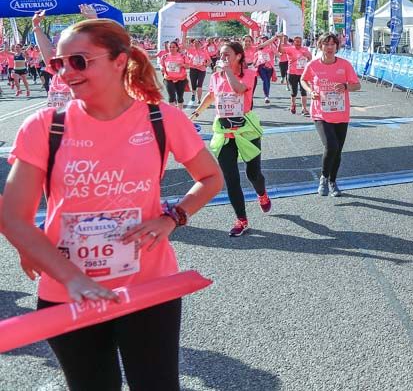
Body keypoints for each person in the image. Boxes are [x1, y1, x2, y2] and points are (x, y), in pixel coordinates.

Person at [1, 19, 222, 391]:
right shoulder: (45, 126)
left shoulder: (161, 118)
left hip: (147, 286)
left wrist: (173, 218)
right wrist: (63, 271)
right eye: (59, 64)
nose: (67, 72)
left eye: (79, 61)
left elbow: (211, 177)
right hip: (68, 291)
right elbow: (12, 217)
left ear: (120, 61)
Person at [190, 41, 270, 237]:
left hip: (246, 129)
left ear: (239, 56)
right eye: (221, 54)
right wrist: (197, 112)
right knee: (231, 179)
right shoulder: (215, 77)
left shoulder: (250, 75)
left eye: (227, 54)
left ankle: (262, 193)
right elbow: (211, 95)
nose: (222, 58)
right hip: (224, 131)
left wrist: (227, 72)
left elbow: (239, 89)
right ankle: (241, 220)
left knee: (253, 174)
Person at [301, 33, 361, 197]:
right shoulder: (313, 65)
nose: (329, 47)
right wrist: (311, 91)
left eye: (332, 44)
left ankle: (333, 182)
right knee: (331, 145)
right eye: (326, 44)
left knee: (338, 151)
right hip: (321, 113)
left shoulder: (345, 65)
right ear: (320, 46)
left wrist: (345, 86)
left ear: (336, 47)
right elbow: (303, 80)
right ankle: (323, 178)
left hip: (341, 113)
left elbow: (357, 85)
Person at [283, 36, 312, 115]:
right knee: (294, 91)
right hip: (292, 73)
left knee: (303, 91)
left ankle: (304, 108)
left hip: (303, 73)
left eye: (299, 41)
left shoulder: (305, 49)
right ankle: (293, 104)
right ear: (294, 42)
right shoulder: (290, 49)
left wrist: (307, 56)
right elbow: (280, 51)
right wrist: (279, 41)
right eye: (296, 41)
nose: (298, 43)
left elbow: (310, 59)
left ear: (301, 42)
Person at [158, 41, 188, 108]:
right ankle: (173, 114)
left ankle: (180, 113)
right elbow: (161, 64)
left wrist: (182, 65)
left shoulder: (182, 56)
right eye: (170, 47)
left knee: (180, 97)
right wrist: (162, 68)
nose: (171, 48)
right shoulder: (165, 56)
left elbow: (188, 66)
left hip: (181, 79)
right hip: (168, 78)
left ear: (177, 48)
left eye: (173, 47)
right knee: (171, 96)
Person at [183, 37, 210, 108]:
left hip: (202, 70)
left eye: (198, 43)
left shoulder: (204, 51)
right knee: (193, 85)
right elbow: (183, 45)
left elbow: (209, 61)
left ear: (200, 44)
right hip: (193, 69)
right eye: (194, 43)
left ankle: (199, 100)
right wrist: (184, 34)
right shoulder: (190, 50)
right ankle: (193, 94)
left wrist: (205, 64)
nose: (196, 44)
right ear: (193, 44)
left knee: (200, 85)